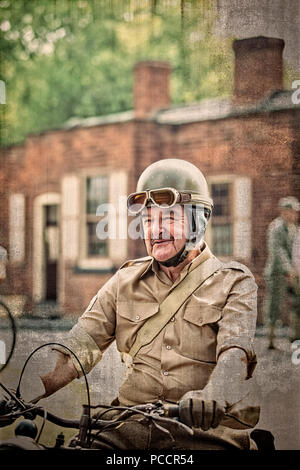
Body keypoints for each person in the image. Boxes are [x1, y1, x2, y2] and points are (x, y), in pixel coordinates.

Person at [34, 159, 259, 450]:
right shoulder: (124, 281)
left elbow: (235, 355)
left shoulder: (234, 283)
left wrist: (213, 395)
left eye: (169, 219)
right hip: (126, 428)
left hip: (202, 434)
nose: (156, 230)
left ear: (198, 221)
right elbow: (75, 352)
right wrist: (22, 393)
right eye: (148, 220)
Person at [264, 196, 300, 349]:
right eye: (290, 211)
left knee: (297, 303)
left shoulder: (295, 229)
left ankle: (295, 335)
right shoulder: (276, 228)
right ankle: (271, 339)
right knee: (275, 305)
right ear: (283, 212)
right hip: (277, 273)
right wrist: (289, 269)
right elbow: (277, 251)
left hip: (294, 272)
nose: (293, 215)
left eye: (295, 212)